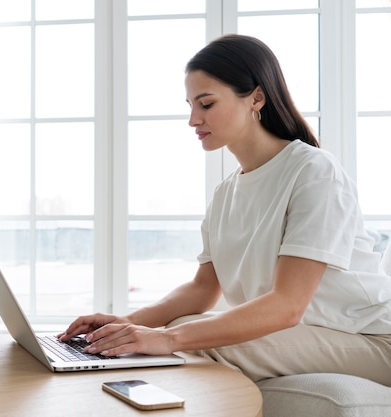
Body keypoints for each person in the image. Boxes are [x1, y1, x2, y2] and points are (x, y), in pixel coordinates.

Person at [58, 34, 391, 385]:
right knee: (177, 328)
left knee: (185, 342)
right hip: (312, 335)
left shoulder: (314, 172)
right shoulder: (225, 193)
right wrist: (128, 322)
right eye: (190, 105)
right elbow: (203, 289)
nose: (192, 119)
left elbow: (288, 305)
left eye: (206, 104)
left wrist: (166, 338)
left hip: (371, 341)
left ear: (256, 98)